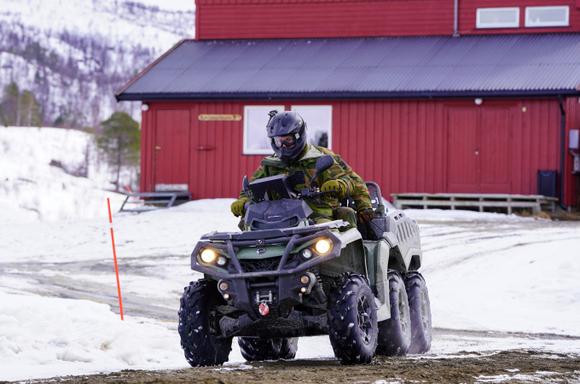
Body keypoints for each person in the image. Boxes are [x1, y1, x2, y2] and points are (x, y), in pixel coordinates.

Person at [231, 110, 374, 227]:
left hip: (317, 215)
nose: (283, 145)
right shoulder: (270, 164)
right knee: (247, 227)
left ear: (299, 135)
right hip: (278, 218)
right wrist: (243, 201)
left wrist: (339, 186)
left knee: (329, 234)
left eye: (288, 140)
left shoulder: (321, 157)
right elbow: (252, 188)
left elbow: (351, 181)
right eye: (278, 141)